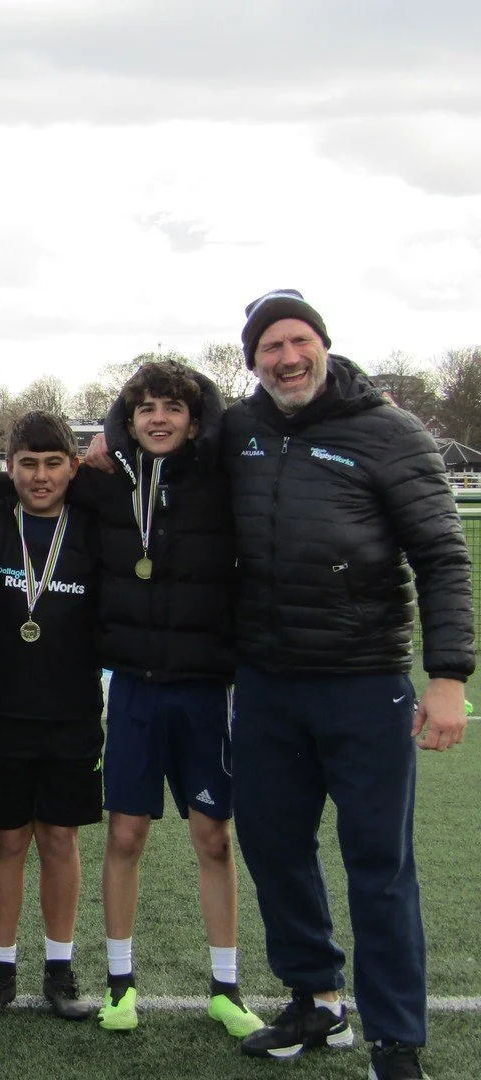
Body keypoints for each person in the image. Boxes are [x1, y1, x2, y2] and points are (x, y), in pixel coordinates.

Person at [223, 291, 471, 1080]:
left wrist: (448, 677)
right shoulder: (238, 428)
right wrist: (109, 439)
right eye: (270, 347)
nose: (287, 357)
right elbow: (160, 429)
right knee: (273, 846)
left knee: (378, 864)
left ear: (324, 345)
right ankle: (317, 1001)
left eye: (299, 340)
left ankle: (396, 1042)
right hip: (266, 682)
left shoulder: (389, 431)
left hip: (363, 681)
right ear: (253, 361)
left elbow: (442, 556)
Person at [81, 361, 262, 1038]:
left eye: (173, 408)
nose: (159, 419)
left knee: (214, 839)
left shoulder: (223, 478)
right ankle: (120, 984)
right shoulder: (105, 482)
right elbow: (24, 483)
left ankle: (226, 988)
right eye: (146, 409)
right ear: (128, 422)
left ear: (194, 418)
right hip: (133, 688)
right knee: (126, 835)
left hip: (204, 690)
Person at [0, 412, 101, 1025]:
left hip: (72, 712)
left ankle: (60, 968)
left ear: (73, 467)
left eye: (52, 464)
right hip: (0, 711)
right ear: (9, 467)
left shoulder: (94, 523)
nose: (40, 477)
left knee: (60, 839)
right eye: (27, 464)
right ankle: (0, 968)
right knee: (7, 839)